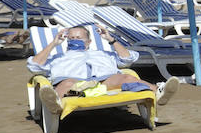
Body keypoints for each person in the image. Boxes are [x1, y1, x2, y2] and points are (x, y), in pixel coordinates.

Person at [27, 23, 178, 115]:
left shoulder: (103, 53)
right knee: (66, 83)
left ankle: (159, 92)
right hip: (75, 86)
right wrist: (53, 44)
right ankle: (55, 104)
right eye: (71, 38)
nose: (74, 40)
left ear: (89, 41)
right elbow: (34, 66)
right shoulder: (59, 57)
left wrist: (111, 40)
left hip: (104, 83)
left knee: (127, 77)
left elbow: (129, 59)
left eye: (78, 38)